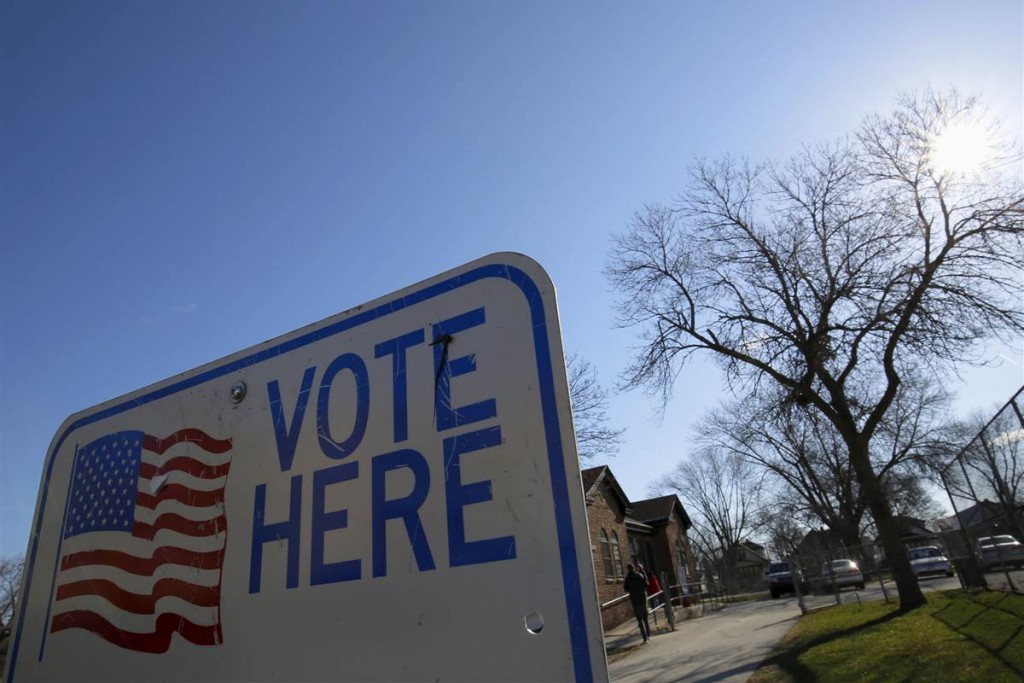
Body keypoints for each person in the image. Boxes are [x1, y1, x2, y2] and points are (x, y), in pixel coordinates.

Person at [624, 563, 651, 642]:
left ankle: (644, 637)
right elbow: (646, 585)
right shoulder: (640, 575)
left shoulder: (627, 579)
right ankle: (648, 634)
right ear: (634, 568)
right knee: (645, 618)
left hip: (635, 601)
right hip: (642, 598)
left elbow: (625, 589)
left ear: (628, 569)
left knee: (639, 619)